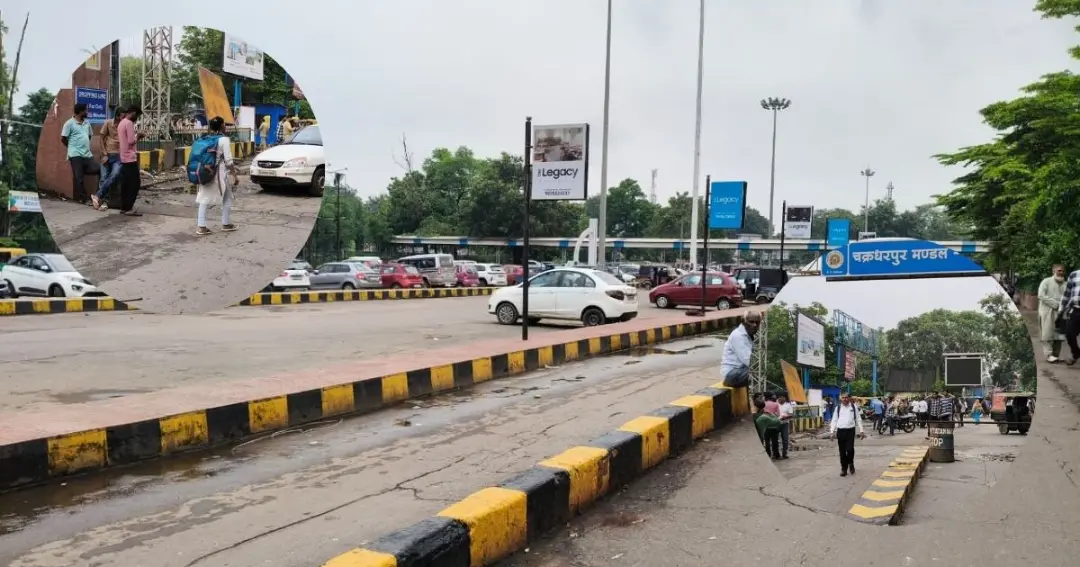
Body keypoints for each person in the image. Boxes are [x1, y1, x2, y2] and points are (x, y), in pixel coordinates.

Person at [194, 116, 240, 236]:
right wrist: (235, 176)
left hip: (205, 172)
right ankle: (202, 226)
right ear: (221, 126)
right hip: (218, 174)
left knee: (224, 197)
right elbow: (229, 161)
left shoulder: (205, 138)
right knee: (207, 199)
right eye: (224, 124)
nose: (225, 126)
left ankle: (224, 223)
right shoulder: (224, 140)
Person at [61, 103, 100, 205]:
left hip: (87, 155)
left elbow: (89, 136)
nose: (87, 112)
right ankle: (83, 198)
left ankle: (99, 195)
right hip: (75, 154)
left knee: (100, 169)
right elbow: (63, 139)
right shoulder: (69, 123)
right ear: (80, 112)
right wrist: (72, 148)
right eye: (86, 110)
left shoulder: (87, 123)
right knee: (79, 177)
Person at [91, 108, 126, 210]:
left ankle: (97, 195)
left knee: (114, 175)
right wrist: (104, 154)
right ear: (118, 116)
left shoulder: (124, 126)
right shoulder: (108, 123)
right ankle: (103, 202)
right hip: (107, 154)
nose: (124, 119)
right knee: (104, 177)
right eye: (123, 117)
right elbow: (101, 138)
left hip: (118, 156)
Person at [719, 310, 761, 388]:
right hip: (732, 374)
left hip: (742, 371)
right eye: (751, 322)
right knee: (763, 373)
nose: (754, 325)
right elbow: (749, 361)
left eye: (757, 322)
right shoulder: (738, 336)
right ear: (744, 322)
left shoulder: (750, 335)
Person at [829, 393, 865, 477]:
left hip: (850, 431)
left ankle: (850, 463)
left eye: (846, 397)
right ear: (841, 399)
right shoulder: (837, 408)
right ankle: (843, 468)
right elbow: (834, 420)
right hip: (840, 431)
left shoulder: (853, 407)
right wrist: (832, 432)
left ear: (849, 398)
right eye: (843, 398)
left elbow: (858, 419)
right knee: (842, 451)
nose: (844, 399)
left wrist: (861, 430)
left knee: (849, 449)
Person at [117, 104, 143, 216]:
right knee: (135, 183)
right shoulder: (128, 123)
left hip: (123, 157)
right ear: (132, 113)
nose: (137, 118)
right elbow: (131, 141)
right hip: (130, 157)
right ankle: (129, 208)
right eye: (137, 115)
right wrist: (139, 136)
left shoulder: (121, 123)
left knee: (125, 183)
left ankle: (124, 207)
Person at [1039, 265, 1068, 362]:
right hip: (1048, 311)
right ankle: (1048, 355)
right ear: (1054, 271)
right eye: (1059, 270)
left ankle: (1055, 356)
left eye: (1063, 271)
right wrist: (1056, 304)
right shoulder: (1046, 281)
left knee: (1059, 335)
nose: (1061, 272)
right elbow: (1041, 295)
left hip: (1062, 313)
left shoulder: (1066, 284)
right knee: (1047, 334)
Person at [777, 395, 793, 459]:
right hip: (776, 424)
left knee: (785, 439)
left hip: (785, 424)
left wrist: (785, 417)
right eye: (779, 397)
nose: (780, 398)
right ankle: (776, 454)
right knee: (775, 439)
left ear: (785, 398)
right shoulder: (776, 404)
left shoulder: (788, 405)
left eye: (782, 397)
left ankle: (784, 453)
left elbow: (791, 415)